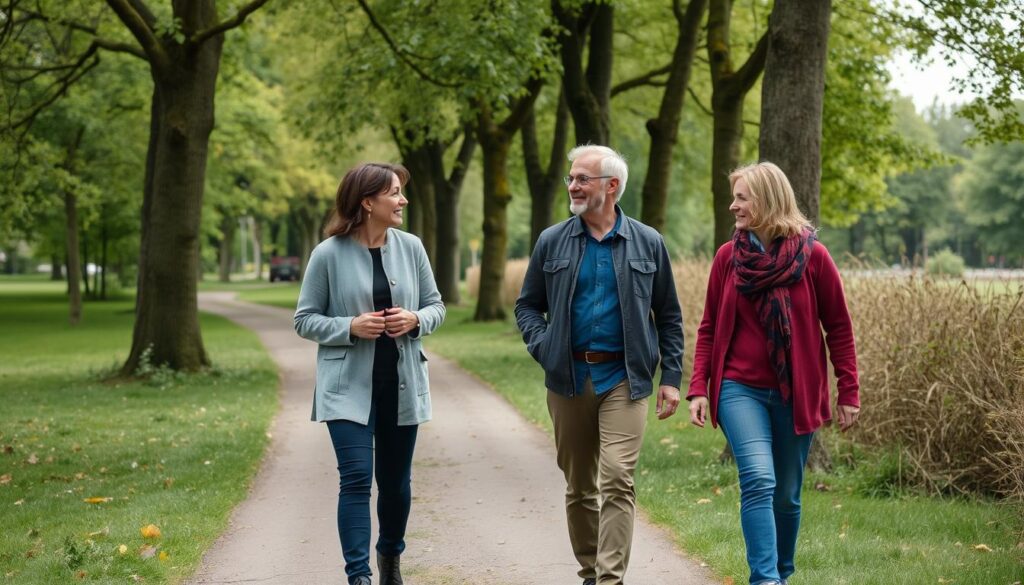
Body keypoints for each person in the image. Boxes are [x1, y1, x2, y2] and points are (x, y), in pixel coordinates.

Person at [515, 144, 684, 585]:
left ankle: (610, 580)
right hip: (568, 378)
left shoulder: (648, 242)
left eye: (581, 178)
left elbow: (668, 315)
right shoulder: (552, 240)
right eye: (571, 178)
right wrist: (544, 345)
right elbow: (528, 306)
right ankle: (590, 571)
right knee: (580, 486)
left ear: (611, 186)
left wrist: (672, 378)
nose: (572, 185)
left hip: (625, 380)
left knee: (617, 480)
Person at [687, 162, 860, 585]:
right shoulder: (729, 257)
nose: (733, 206)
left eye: (741, 198)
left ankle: (782, 573)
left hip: (795, 392)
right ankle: (764, 579)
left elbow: (838, 326)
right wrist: (699, 388)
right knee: (759, 480)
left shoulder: (813, 257)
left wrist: (848, 390)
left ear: (767, 200)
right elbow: (709, 326)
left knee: (786, 495)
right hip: (738, 388)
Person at [294, 162, 445, 585]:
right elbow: (304, 319)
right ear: (367, 202)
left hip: (402, 386)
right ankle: (357, 576)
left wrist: (416, 318)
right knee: (357, 479)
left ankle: (390, 559)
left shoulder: (412, 247)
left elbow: (437, 306)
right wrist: (348, 327)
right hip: (346, 389)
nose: (403, 200)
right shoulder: (327, 254)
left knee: (395, 484)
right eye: (395, 193)